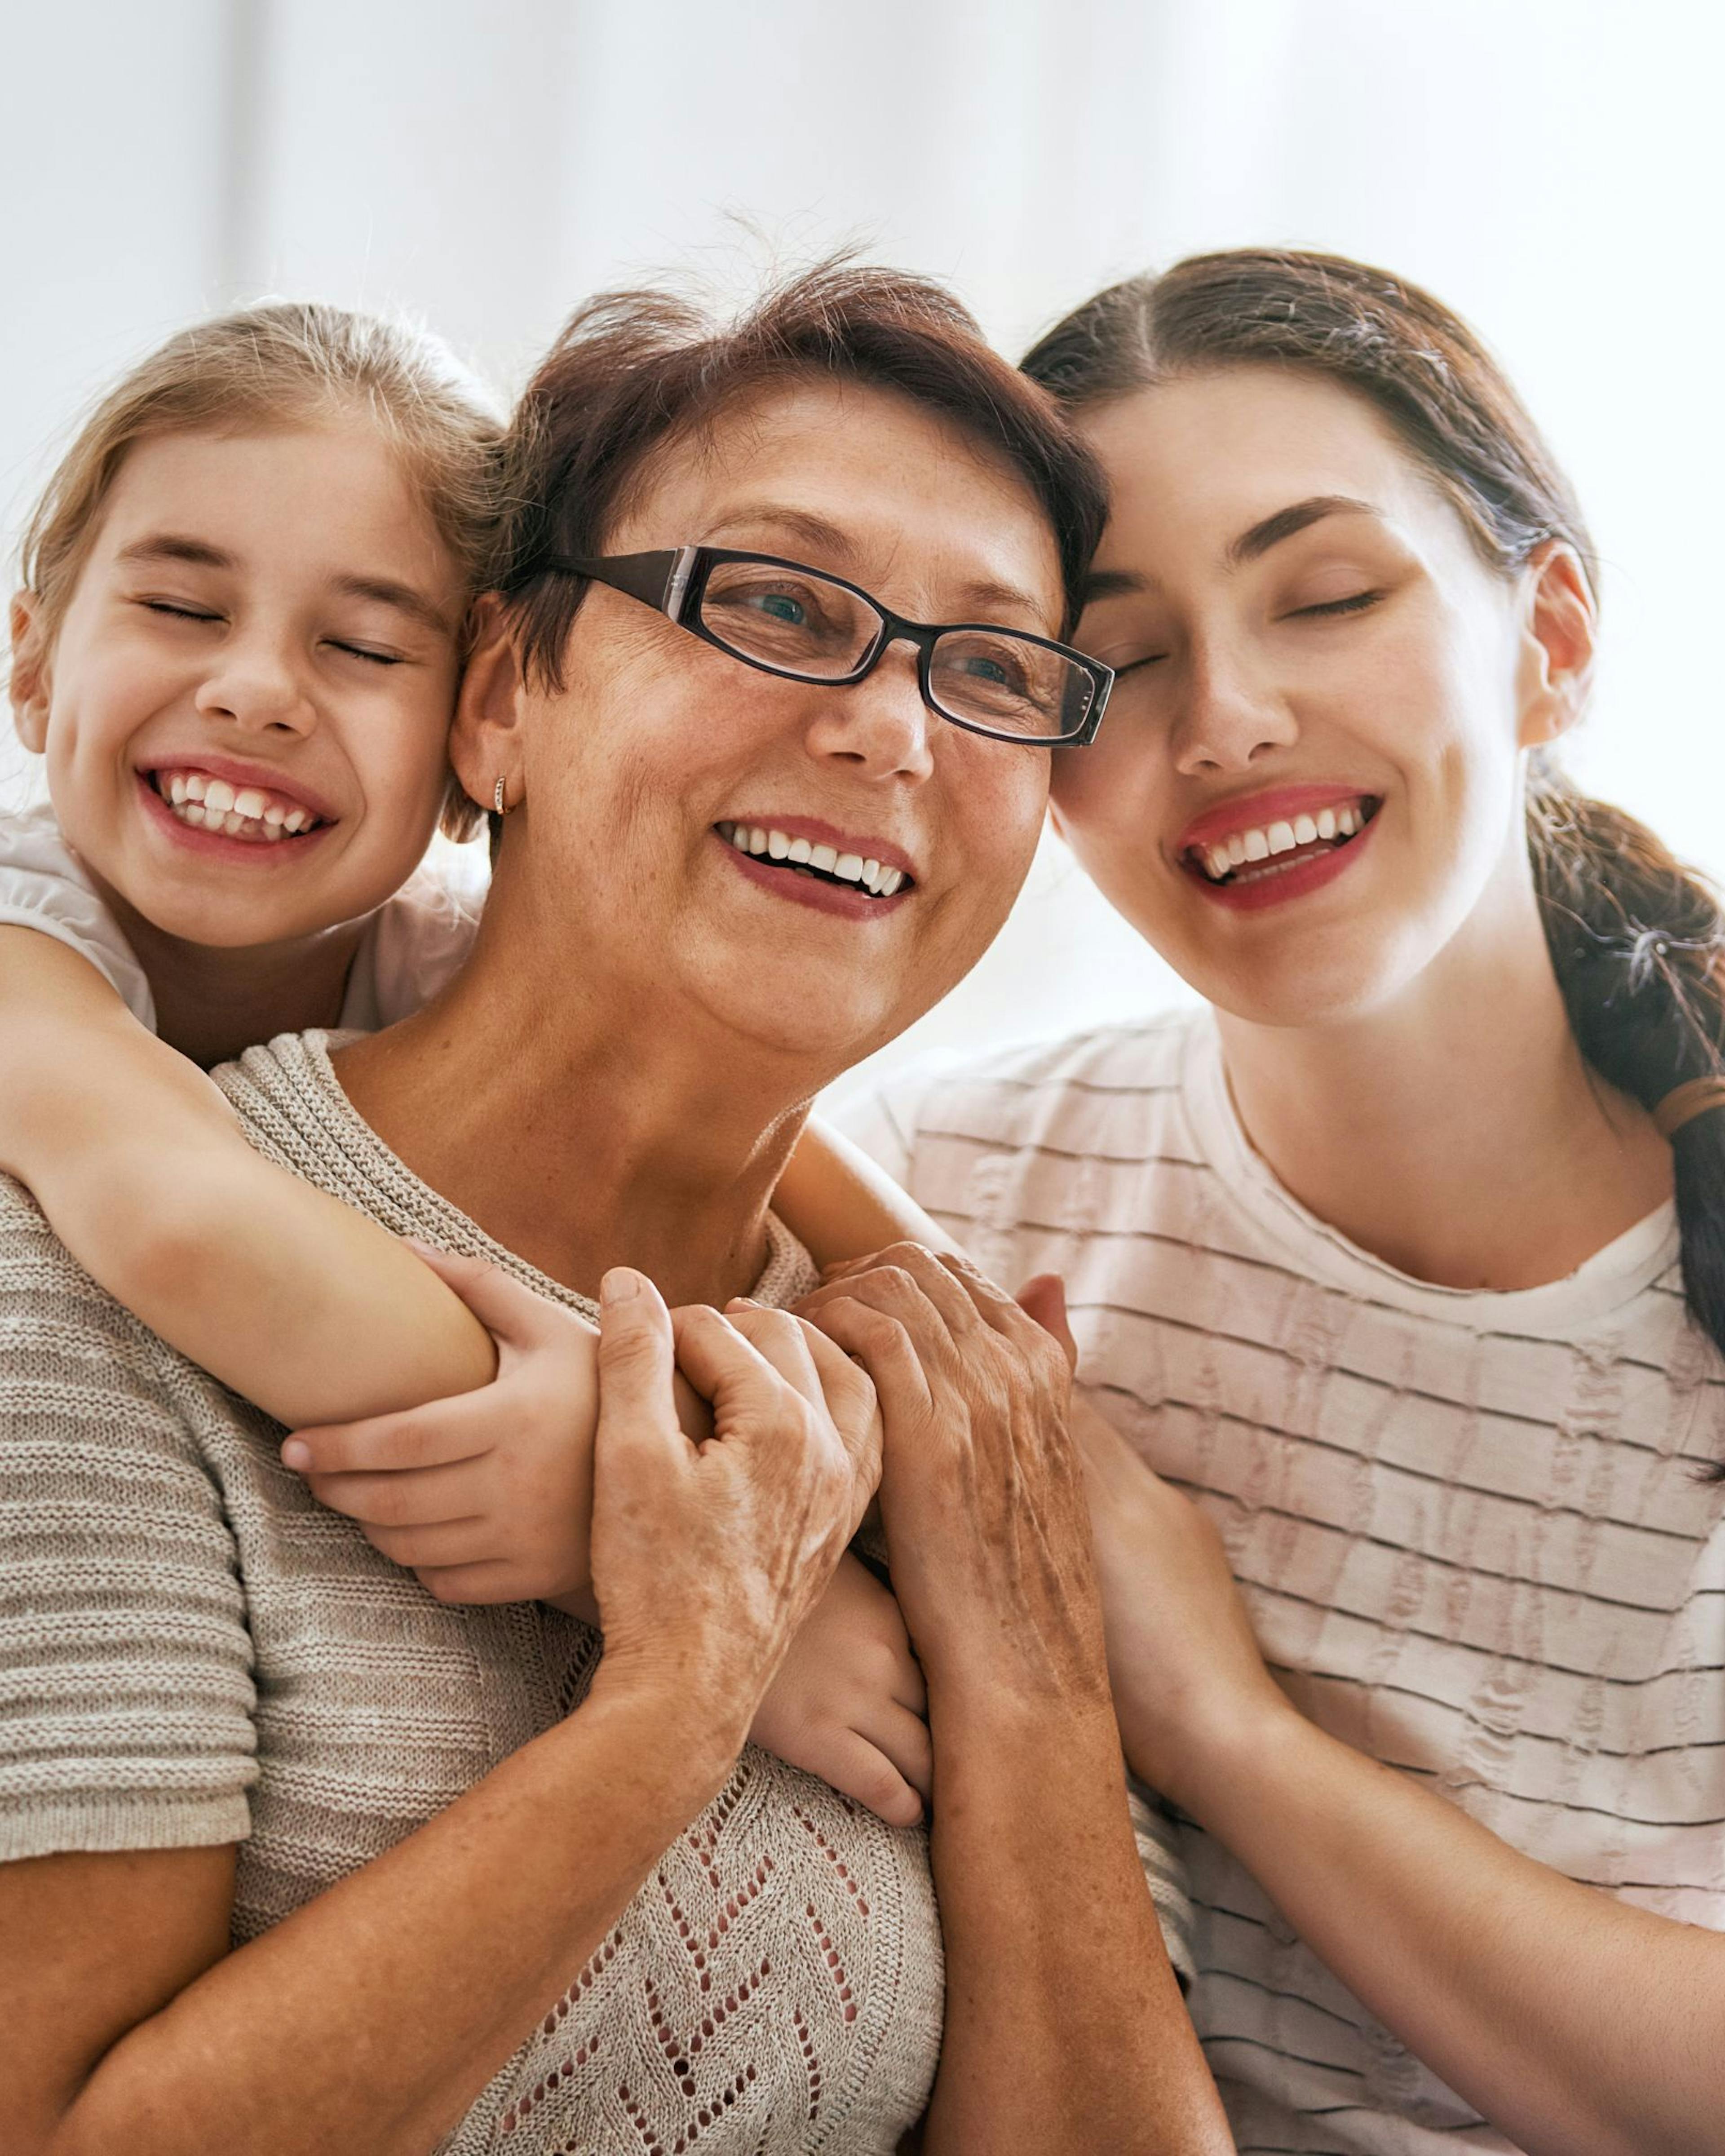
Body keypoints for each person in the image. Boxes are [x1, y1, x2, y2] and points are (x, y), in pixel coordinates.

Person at [0, 265, 1230, 2155]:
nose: (897, 733)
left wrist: (1035, 1656)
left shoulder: (944, 1401)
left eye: (991, 668)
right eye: (776, 603)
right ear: (499, 703)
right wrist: (684, 1689)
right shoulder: (69, 1252)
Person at [840, 248, 1725, 2155]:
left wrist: (1215, 1716)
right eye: (1119, 659)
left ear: (1549, 639)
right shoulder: (940, 1198)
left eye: (1327, 596)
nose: (1226, 720)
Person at [0, 297, 972, 1824]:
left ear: (479, 727)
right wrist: (659, 1533)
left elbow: (813, 1188)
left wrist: (983, 1380)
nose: (258, 688)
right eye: (183, 611)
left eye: (364, 644)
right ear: (33, 661)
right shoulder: (17, 962)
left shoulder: (442, 948)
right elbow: (186, 1220)